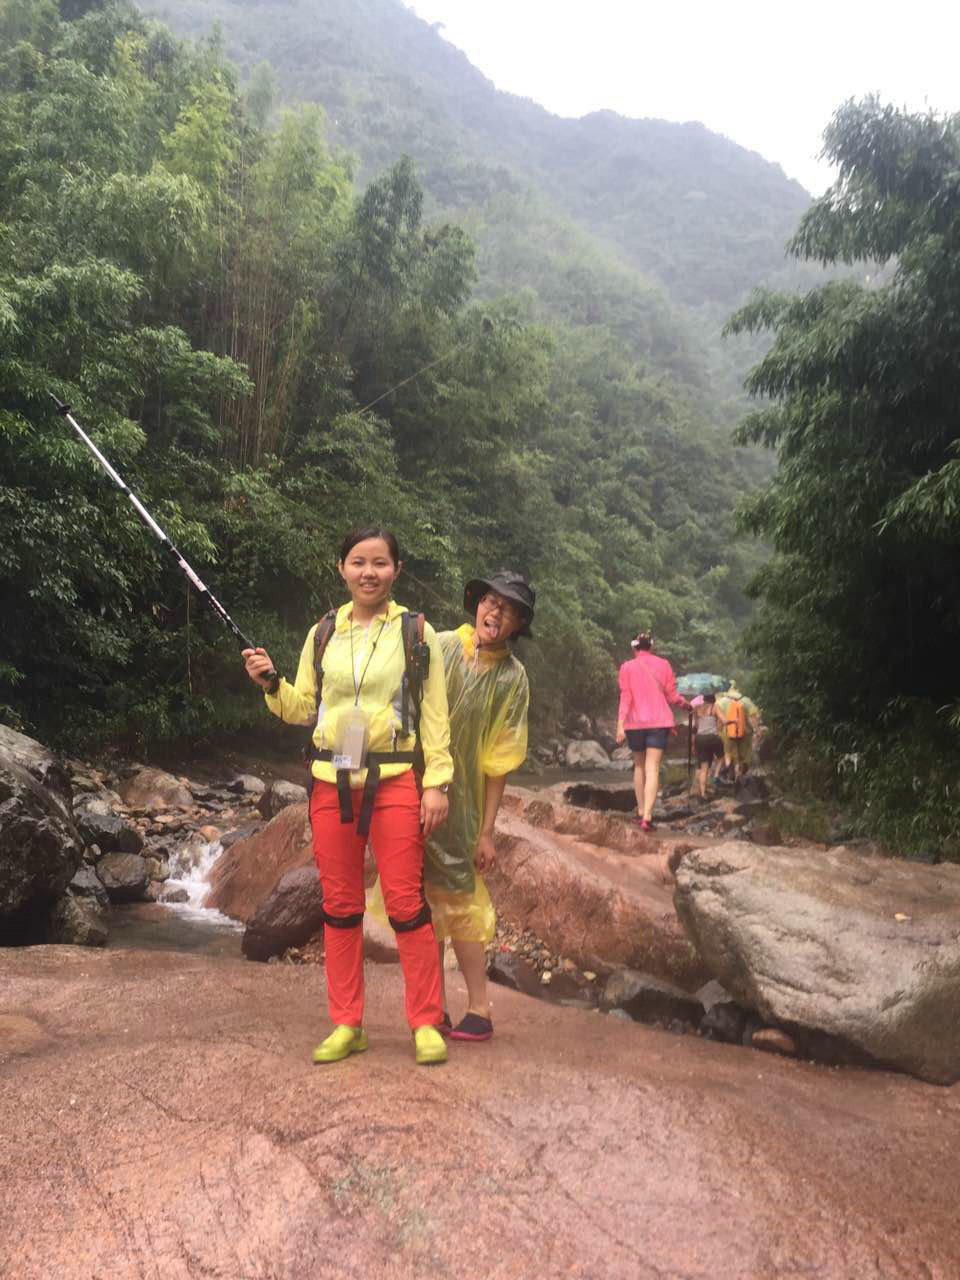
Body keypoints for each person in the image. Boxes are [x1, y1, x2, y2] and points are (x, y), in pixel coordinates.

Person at [242, 527, 454, 1067]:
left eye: (379, 563)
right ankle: (346, 1023)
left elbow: (434, 714)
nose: (368, 572)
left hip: (395, 779)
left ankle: (425, 1021)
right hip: (332, 780)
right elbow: (302, 707)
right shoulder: (323, 633)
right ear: (341, 568)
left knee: (406, 904)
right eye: (358, 562)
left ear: (396, 570)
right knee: (339, 907)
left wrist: (437, 783)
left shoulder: (416, 633)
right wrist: (271, 684)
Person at [369, 570, 533, 1043]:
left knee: (461, 898)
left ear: (518, 624)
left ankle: (479, 1008)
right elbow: (399, 703)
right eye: (490, 601)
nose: (496, 611)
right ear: (476, 606)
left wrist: (486, 831)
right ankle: (434, 1007)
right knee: (420, 898)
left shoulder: (512, 678)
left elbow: (499, 761)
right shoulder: (440, 646)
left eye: (508, 609)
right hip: (411, 788)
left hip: (462, 806)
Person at [615, 632, 690, 831]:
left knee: (639, 766)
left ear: (634, 647)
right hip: (658, 722)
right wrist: (685, 704)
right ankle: (647, 817)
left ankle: (640, 811)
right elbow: (672, 696)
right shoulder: (664, 665)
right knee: (653, 768)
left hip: (634, 724)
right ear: (651, 646)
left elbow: (626, 697)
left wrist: (620, 723)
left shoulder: (626, 667)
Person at [715, 682, 759, 779]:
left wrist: (718, 731)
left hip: (728, 732)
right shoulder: (746, 700)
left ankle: (731, 771)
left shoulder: (721, 702)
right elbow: (753, 717)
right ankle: (741, 774)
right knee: (744, 755)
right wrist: (757, 730)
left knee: (729, 753)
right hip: (746, 732)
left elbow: (720, 720)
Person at [691, 692, 724, 799]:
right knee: (721, 757)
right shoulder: (715, 707)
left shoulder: (697, 708)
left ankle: (703, 793)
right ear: (713, 698)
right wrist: (732, 721)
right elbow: (724, 720)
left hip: (700, 739)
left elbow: (696, 725)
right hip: (712, 737)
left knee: (703, 768)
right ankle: (716, 775)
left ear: (704, 698)